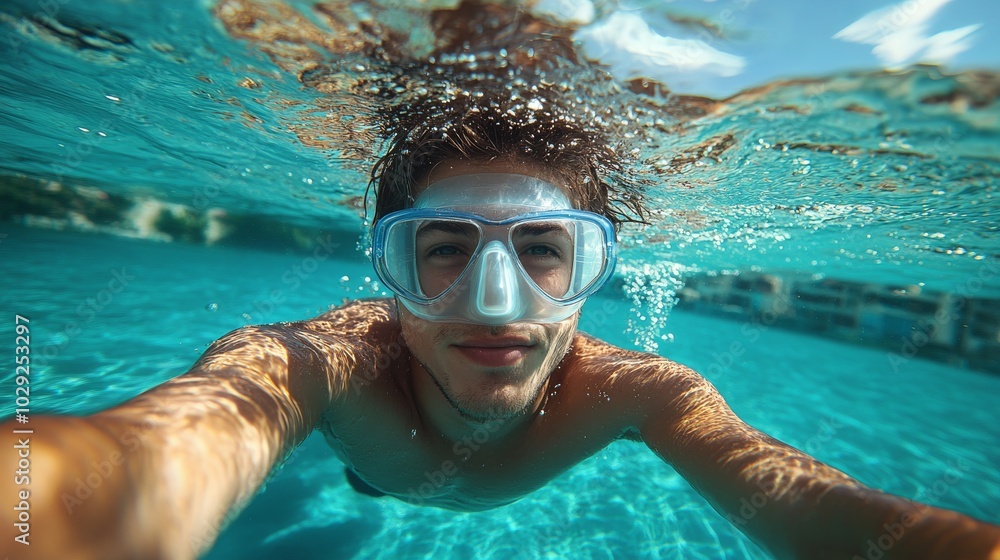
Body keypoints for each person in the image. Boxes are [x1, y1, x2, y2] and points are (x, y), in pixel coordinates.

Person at [3, 102, 1000, 560]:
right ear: (384, 271)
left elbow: (838, 517)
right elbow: (136, 464)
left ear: (590, 276)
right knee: (349, 473)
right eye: (440, 249)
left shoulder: (642, 393)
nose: (493, 300)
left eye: (543, 252)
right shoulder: (320, 363)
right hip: (367, 459)